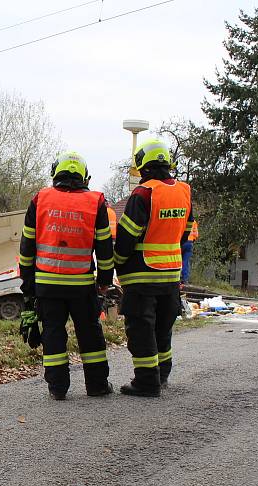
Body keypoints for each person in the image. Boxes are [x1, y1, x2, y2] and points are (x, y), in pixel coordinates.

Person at [18, 151, 115, 400]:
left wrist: (28, 284)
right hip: (82, 286)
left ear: (55, 173)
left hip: (47, 285)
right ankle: (97, 385)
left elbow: (27, 245)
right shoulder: (96, 202)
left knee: (53, 333)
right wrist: (104, 282)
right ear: (85, 177)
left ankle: (57, 388)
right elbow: (104, 248)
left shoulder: (40, 199)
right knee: (90, 333)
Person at [114, 139, 193, 397]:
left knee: (141, 328)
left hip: (141, 276)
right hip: (171, 275)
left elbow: (127, 236)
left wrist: (116, 261)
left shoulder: (144, 194)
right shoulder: (183, 191)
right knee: (163, 326)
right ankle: (162, 374)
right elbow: (186, 232)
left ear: (143, 167)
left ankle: (147, 382)